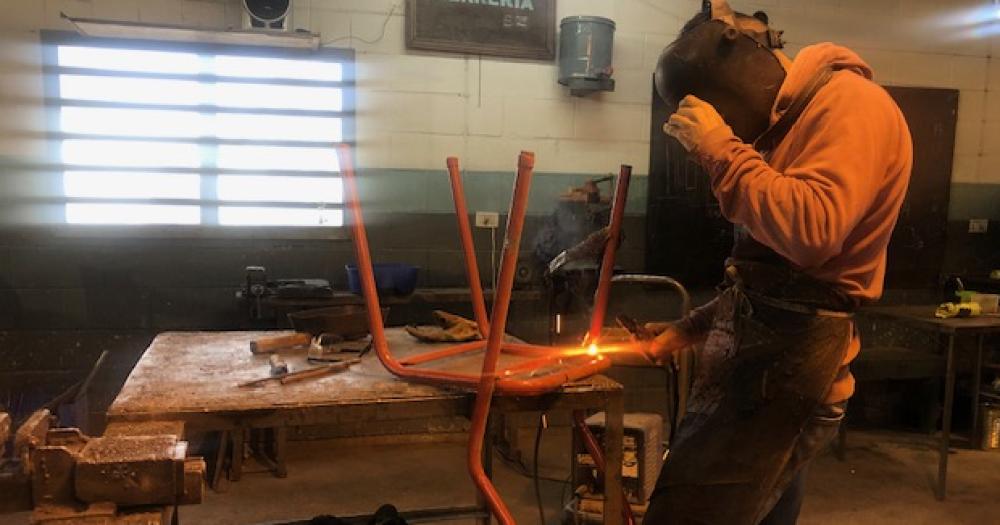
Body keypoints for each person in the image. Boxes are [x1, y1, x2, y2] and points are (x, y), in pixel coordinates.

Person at [641, 1, 913, 523]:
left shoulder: (850, 104)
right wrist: (688, 329)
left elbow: (811, 233)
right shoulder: (790, 123)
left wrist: (720, 150)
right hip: (765, 366)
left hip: (791, 369)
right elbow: (771, 275)